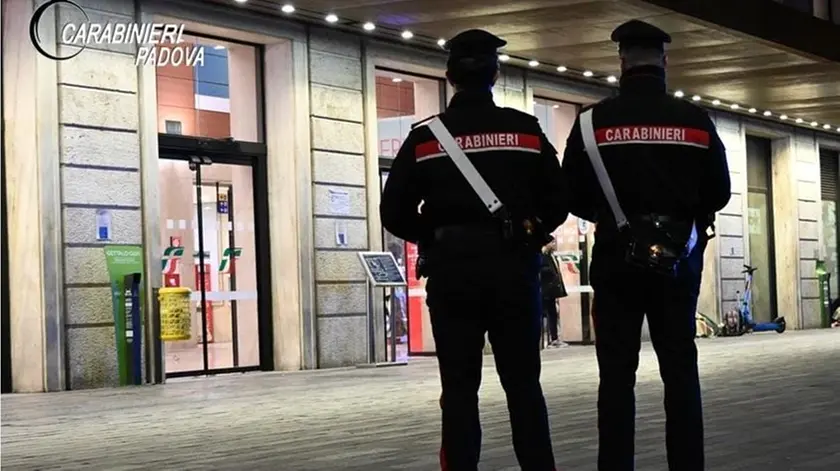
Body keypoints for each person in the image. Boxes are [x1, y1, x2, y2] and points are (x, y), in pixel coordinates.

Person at [380, 28, 569, 471]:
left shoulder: (425, 139)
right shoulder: (525, 130)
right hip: (513, 272)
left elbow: (394, 211)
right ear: (495, 74)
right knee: (524, 386)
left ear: (449, 77)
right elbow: (560, 199)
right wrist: (530, 228)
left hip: (453, 275)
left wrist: (435, 234)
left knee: (460, 389)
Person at [561, 20, 731, 471]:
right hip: (678, 261)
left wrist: (615, 217)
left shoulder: (591, 122)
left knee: (616, 376)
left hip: (617, 258)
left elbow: (571, 194)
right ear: (664, 62)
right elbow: (720, 191)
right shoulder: (695, 120)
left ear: (621, 62)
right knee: (680, 369)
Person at [539, 239, 569, 348]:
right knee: (545, 314)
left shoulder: (552, 256)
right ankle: (547, 339)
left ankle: (554, 338)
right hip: (545, 291)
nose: (554, 244)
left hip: (551, 291)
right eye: (552, 242)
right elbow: (542, 270)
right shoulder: (543, 256)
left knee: (552, 314)